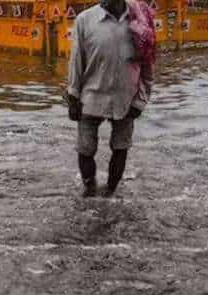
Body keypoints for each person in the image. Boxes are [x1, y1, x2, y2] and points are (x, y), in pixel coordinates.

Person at [67, 0, 156, 197]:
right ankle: (89, 190)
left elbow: (148, 65)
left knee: (121, 147)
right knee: (85, 148)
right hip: (91, 96)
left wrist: (141, 100)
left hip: (126, 98)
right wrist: (73, 97)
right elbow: (76, 61)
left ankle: (110, 192)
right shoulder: (85, 20)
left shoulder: (141, 20)